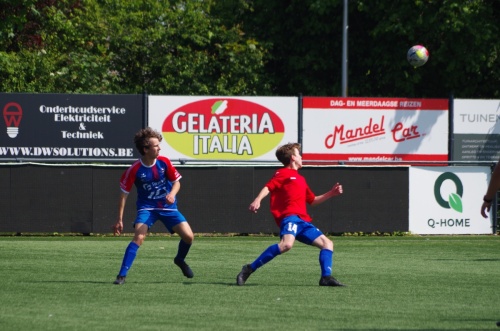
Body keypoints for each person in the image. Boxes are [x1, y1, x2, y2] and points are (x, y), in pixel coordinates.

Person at [237, 142, 346, 287]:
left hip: (303, 221)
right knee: (286, 245)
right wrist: (258, 199)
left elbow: (312, 201)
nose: (301, 157)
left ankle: (326, 277)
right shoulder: (282, 173)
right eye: (299, 154)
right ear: (293, 158)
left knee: (328, 244)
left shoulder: (300, 179)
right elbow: (268, 186)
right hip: (290, 218)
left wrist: (331, 193)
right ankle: (249, 269)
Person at [112, 127, 194, 285]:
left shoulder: (164, 162)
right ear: (145, 149)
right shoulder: (134, 169)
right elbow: (123, 195)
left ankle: (180, 259)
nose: (159, 148)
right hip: (147, 208)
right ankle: (121, 275)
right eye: (156, 146)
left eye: (159, 145)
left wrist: (172, 194)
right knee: (139, 237)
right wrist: (119, 219)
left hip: (168, 207)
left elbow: (177, 182)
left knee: (189, 237)